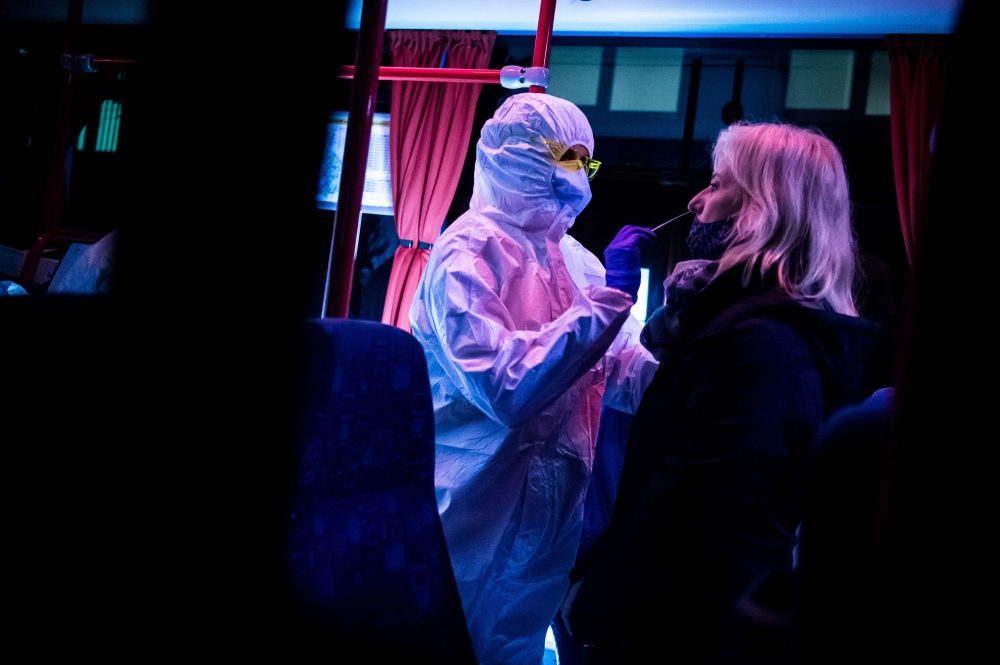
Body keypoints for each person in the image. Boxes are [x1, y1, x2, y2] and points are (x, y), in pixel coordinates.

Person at [563, 122, 888, 663]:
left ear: (764, 206)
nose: (696, 201)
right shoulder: (753, 327)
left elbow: (687, 505)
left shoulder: (761, 341)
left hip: (692, 626)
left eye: (715, 185)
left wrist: (593, 601)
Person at [409, 93, 657, 665]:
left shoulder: (579, 262)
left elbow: (619, 371)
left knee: (515, 647)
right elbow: (505, 385)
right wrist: (608, 302)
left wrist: (692, 366)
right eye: (566, 158)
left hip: (550, 522)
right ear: (517, 155)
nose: (578, 178)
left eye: (584, 162)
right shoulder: (465, 254)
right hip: (473, 509)